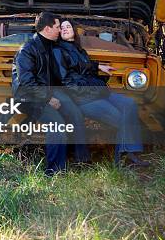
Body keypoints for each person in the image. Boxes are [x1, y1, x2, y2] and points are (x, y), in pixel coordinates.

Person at [53, 19, 149, 167]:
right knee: (121, 119)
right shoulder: (57, 51)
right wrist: (87, 91)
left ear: (74, 30)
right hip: (84, 99)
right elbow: (66, 81)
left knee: (129, 104)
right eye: (62, 27)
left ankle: (128, 154)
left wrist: (99, 66)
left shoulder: (79, 50)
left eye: (68, 26)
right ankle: (124, 159)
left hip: (97, 92)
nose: (65, 29)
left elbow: (85, 65)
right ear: (58, 32)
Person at [12, 12, 89, 175]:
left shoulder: (52, 45)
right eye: (57, 27)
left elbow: (75, 59)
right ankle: (54, 171)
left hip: (47, 91)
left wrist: (96, 67)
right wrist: (49, 99)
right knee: (57, 125)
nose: (59, 30)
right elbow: (27, 83)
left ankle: (81, 160)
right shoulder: (27, 50)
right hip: (30, 97)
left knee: (74, 112)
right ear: (47, 29)